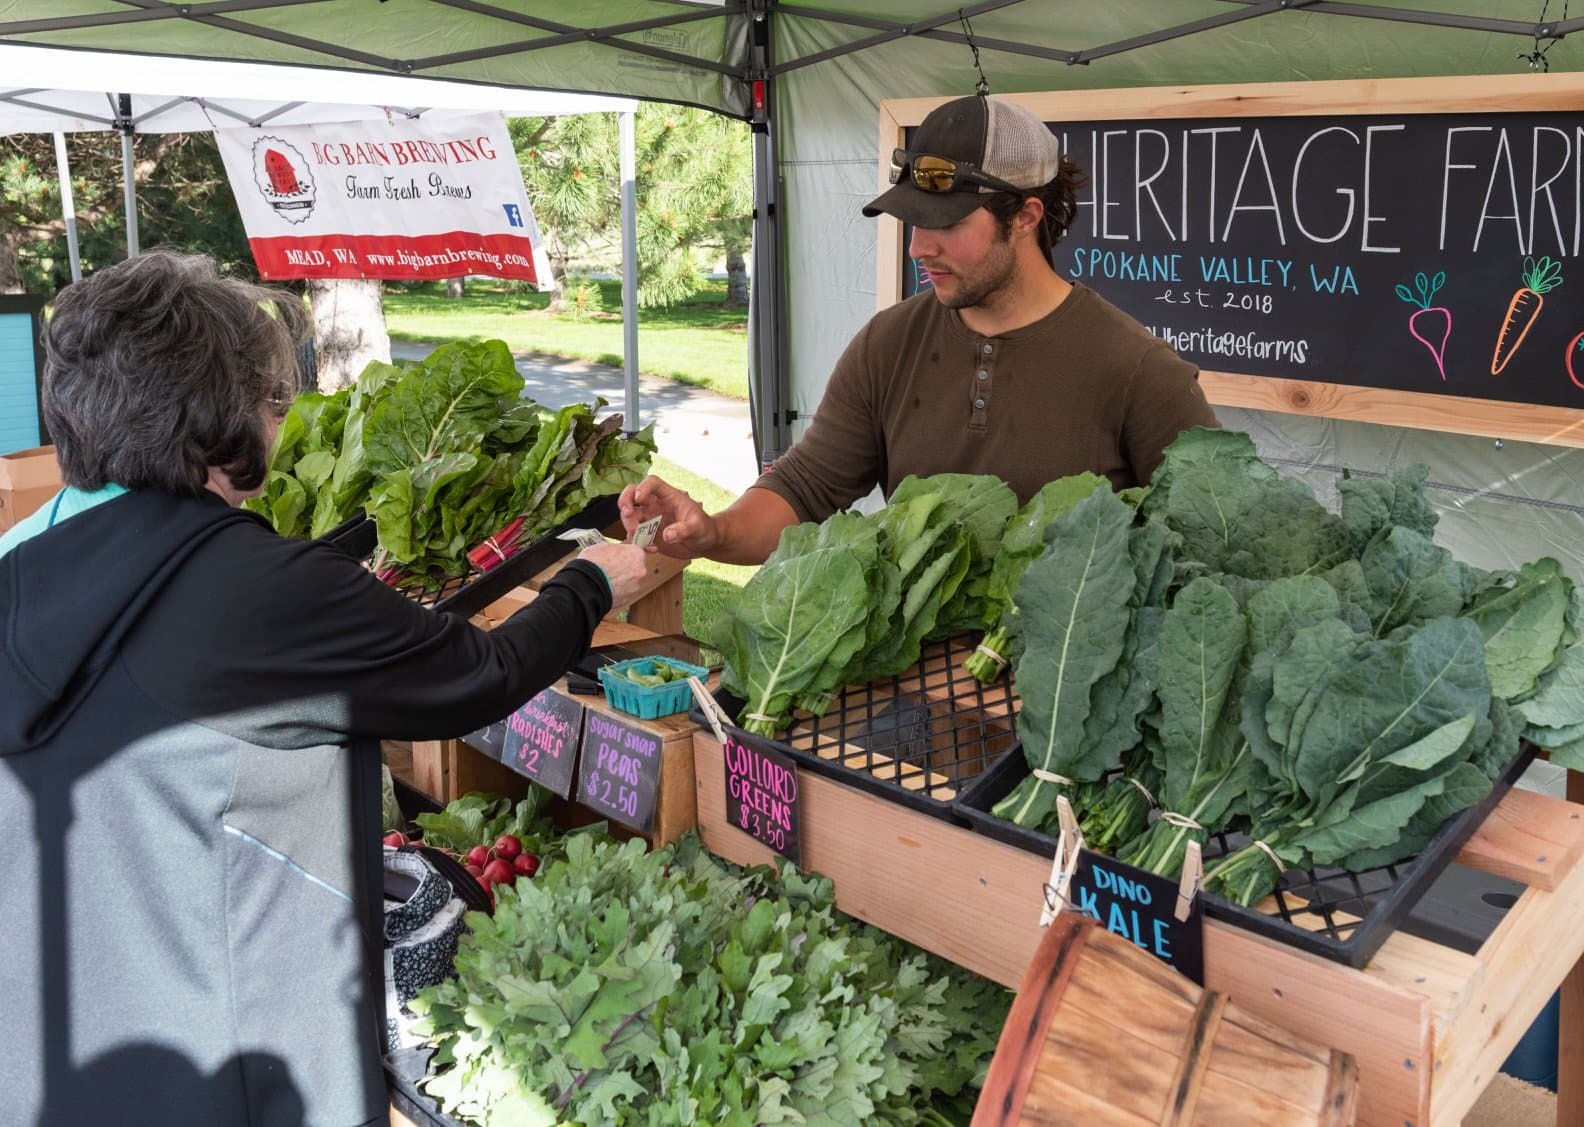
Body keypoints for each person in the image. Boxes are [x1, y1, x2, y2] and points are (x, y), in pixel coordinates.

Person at [0, 250, 650, 1126]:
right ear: (216, 413)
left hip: (60, 1043)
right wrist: (593, 581)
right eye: (267, 401)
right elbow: (475, 674)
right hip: (237, 1058)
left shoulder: (23, 565)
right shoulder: (257, 588)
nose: (275, 422)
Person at [620, 92, 1218, 564]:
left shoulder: (1139, 370)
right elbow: (803, 492)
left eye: (947, 223)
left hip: (1068, 700)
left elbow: (1204, 546)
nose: (918, 247)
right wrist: (712, 530)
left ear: (1026, 218)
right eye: (912, 220)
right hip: (906, 691)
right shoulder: (889, 344)